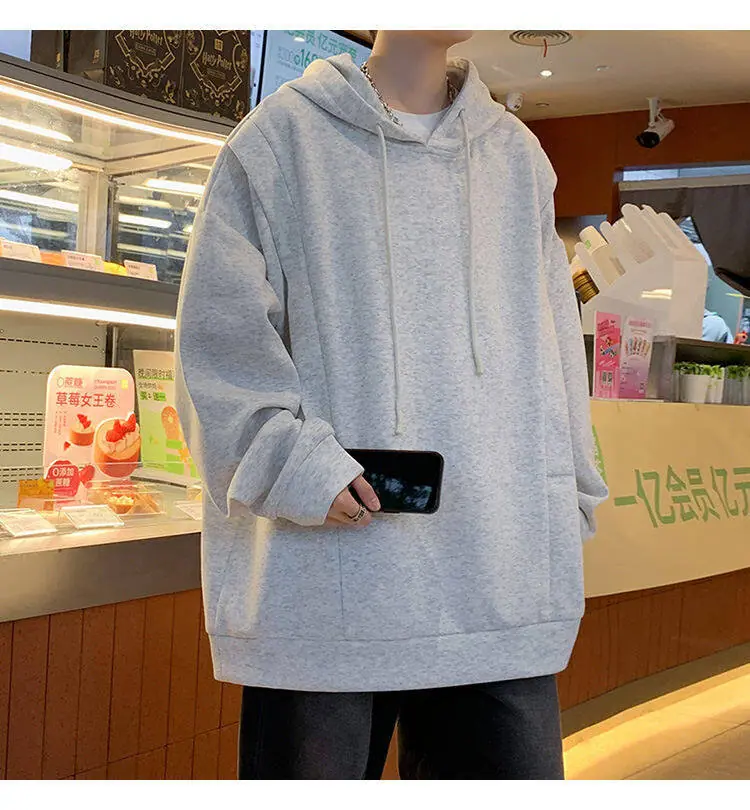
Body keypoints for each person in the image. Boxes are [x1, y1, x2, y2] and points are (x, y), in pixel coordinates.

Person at [175, 29, 608, 780]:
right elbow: (218, 345)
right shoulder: (280, 139)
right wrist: (292, 466)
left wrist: (565, 495)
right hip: (322, 581)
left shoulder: (516, 157)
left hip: (496, 577)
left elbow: (554, 349)